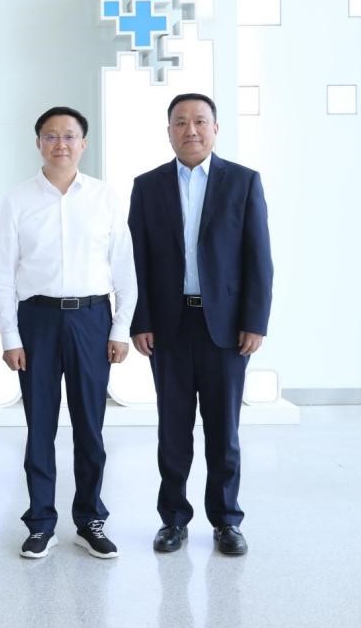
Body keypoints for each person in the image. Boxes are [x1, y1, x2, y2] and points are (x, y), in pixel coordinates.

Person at [127, 93, 273, 557]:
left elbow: (259, 258)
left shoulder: (243, 182)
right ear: (168, 131)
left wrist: (254, 322)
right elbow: (137, 261)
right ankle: (173, 519)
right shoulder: (147, 186)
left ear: (215, 128)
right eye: (180, 122)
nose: (190, 130)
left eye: (200, 121)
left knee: (223, 431)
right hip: (168, 327)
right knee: (173, 430)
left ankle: (226, 521)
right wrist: (140, 320)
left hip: (226, 329)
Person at [0, 106, 137, 560]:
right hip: (36, 320)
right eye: (51, 136)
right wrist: (11, 337)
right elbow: (3, 275)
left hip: (92, 320)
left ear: (83, 144)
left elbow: (124, 269)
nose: (61, 144)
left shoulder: (104, 197)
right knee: (39, 426)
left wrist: (120, 329)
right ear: (39, 143)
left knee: (89, 427)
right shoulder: (17, 200)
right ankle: (40, 522)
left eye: (70, 136)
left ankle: (90, 520)